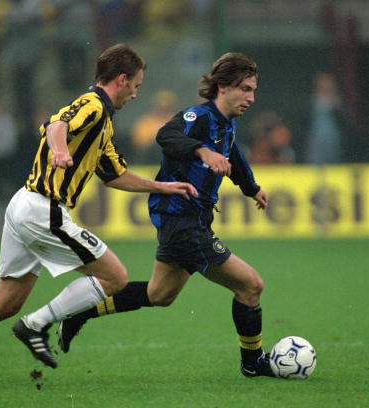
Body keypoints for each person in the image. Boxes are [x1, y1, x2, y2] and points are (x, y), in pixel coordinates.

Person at [0, 44, 198, 389]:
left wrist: (162, 187)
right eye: (136, 85)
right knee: (115, 277)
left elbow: (114, 175)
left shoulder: (104, 123)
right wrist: (59, 150)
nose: (136, 93)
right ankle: (36, 324)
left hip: (25, 205)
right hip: (44, 209)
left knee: (6, 302)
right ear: (121, 79)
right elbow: (58, 124)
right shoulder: (93, 105)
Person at [58, 52, 274, 378]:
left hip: (191, 220)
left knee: (160, 295)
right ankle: (253, 363)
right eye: (245, 89)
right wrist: (201, 150)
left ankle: (79, 312)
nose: (251, 98)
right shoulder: (199, 116)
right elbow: (166, 136)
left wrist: (251, 187)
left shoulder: (226, 124)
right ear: (223, 86)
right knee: (251, 285)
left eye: (253, 90)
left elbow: (231, 154)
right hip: (182, 221)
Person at [302, 72, 352, 164]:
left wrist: (336, 106)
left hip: (333, 139)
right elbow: (306, 122)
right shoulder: (312, 100)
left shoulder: (337, 100)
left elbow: (346, 120)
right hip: (316, 140)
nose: (324, 86)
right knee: (315, 164)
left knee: (334, 163)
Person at [129, 89, 177, 164]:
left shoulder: (178, 121)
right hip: (149, 160)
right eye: (161, 108)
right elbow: (139, 144)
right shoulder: (145, 122)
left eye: (167, 109)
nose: (163, 112)